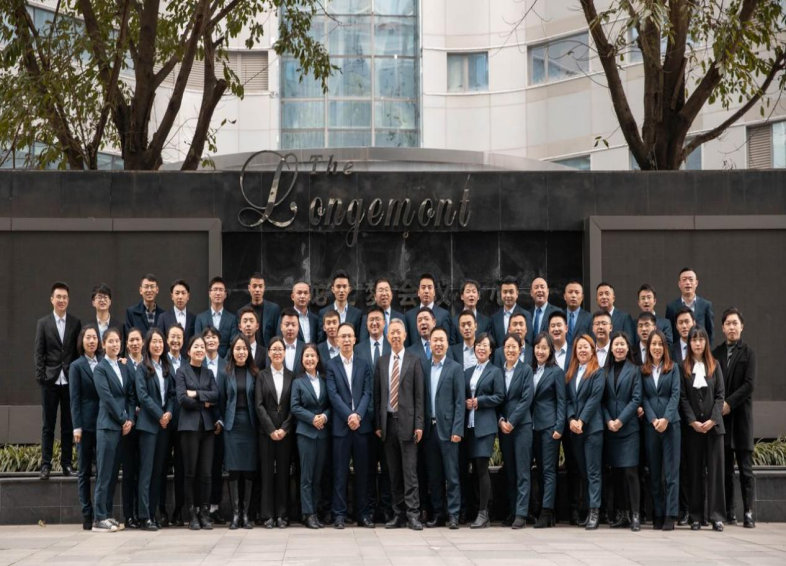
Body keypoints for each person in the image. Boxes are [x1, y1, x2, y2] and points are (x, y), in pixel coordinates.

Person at [374, 318, 425, 530]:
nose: (395, 336)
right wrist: (378, 424)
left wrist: (419, 424)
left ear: (404, 336)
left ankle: (413, 514)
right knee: (393, 472)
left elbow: (419, 396)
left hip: (408, 424)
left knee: (410, 472)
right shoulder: (382, 361)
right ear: (387, 337)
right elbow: (378, 396)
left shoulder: (414, 361)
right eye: (392, 332)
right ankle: (398, 514)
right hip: (387, 423)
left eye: (398, 332)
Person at [326, 323, 375, 529]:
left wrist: (358, 415)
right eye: (343, 336)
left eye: (349, 336)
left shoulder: (364, 364)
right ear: (337, 340)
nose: (346, 340)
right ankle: (339, 514)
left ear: (355, 339)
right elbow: (333, 395)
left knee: (363, 473)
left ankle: (362, 514)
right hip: (341, 427)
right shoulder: (331, 365)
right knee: (340, 472)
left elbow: (367, 392)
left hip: (362, 427)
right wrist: (349, 416)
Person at [713, 308, 757, 528]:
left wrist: (728, 403)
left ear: (742, 326)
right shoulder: (716, 353)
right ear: (722, 328)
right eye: (728, 324)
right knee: (726, 471)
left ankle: (748, 511)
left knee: (746, 470)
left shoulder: (749, 353)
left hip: (741, 420)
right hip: (723, 421)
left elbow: (749, 385)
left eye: (735, 323)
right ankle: (729, 511)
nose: (732, 327)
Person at [680, 326, 726, 532]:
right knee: (695, 472)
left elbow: (720, 395)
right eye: (694, 340)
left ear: (706, 342)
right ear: (689, 343)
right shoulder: (683, 368)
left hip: (714, 429)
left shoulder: (715, 365)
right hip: (693, 430)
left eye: (701, 339)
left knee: (715, 473)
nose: (697, 343)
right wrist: (692, 421)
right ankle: (695, 516)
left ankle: (717, 517)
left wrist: (713, 419)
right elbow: (682, 398)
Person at [35, 281, 82, 480]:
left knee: (67, 425)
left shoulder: (75, 323)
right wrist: (41, 377)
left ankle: (66, 464)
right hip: (50, 381)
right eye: (58, 297)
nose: (62, 300)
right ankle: (46, 465)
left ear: (68, 300)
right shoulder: (43, 323)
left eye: (65, 297)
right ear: (52, 299)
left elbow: (77, 352)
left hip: (69, 381)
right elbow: (39, 352)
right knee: (48, 425)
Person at [91, 328, 135, 533]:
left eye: (117, 341)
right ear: (104, 344)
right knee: (104, 473)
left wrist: (130, 420)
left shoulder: (123, 367)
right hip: (108, 426)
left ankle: (107, 514)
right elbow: (107, 397)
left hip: (123, 428)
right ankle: (99, 518)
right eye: (111, 341)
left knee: (113, 473)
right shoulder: (100, 369)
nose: (115, 344)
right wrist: (124, 419)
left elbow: (130, 395)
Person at [176, 335, 220, 531]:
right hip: (189, 428)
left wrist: (195, 393)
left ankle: (204, 512)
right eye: (196, 346)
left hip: (208, 428)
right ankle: (192, 513)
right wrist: (204, 403)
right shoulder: (182, 371)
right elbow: (182, 399)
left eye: (202, 347)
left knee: (206, 473)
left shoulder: (208, 372)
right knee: (190, 473)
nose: (200, 349)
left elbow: (216, 395)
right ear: (189, 351)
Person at [422, 326, 465, 529]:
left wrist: (457, 429)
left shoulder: (455, 368)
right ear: (429, 344)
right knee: (434, 476)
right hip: (429, 430)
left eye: (442, 340)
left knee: (452, 475)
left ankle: (454, 514)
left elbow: (460, 402)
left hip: (449, 431)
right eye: (435, 340)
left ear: (447, 344)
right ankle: (439, 513)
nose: (438, 344)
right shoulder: (424, 367)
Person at [640, 329, 681, 531]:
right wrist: (653, 419)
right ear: (648, 348)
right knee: (655, 473)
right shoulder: (643, 370)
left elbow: (675, 395)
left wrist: (665, 418)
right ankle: (658, 512)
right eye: (653, 344)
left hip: (671, 425)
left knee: (671, 473)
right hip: (652, 427)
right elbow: (644, 397)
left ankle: (670, 514)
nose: (656, 347)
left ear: (665, 347)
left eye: (659, 344)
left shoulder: (673, 368)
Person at [134, 328, 175, 531]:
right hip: (149, 426)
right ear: (147, 345)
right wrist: (160, 415)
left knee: (159, 472)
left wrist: (169, 413)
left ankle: (153, 513)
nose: (158, 345)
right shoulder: (142, 368)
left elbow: (173, 394)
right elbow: (142, 396)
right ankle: (144, 516)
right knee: (147, 472)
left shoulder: (167, 366)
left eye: (160, 342)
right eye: (154, 342)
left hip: (164, 427)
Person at [602, 332, 642, 531]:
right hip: (611, 429)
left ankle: (635, 515)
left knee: (630, 472)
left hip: (629, 429)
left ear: (628, 348)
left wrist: (620, 420)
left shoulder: (635, 371)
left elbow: (636, 399)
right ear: (611, 348)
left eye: (622, 344)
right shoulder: (605, 371)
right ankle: (622, 514)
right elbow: (601, 400)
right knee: (617, 472)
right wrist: (609, 420)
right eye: (616, 344)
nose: (619, 347)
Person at [219, 334, 259, 530]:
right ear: (232, 351)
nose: (241, 352)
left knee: (249, 469)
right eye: (238, 348)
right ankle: (235, 514)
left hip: (250, 426)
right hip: (232, 425)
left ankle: (246, 514)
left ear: (248, 351)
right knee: (234, 469)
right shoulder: (226, 372)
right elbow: (221, 400)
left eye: (244, 348)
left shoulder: (255, 373)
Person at [464, 333, 504, 529]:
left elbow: (499, 396)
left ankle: (484, 513)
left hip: (485, 426)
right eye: (478, 344)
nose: (481, 348)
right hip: (469, 426)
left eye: (485, 345)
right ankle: (476, 509)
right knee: (472, 469)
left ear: (491, 350)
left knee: (481, 468)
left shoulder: (495, 372)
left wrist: (480, 401)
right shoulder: (467, 372)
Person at [255, 336, 295, 528]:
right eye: (274, 350)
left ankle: (282, 514)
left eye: (280, 349)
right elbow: (259, 405)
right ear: (269, 353)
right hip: (266, 432)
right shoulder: (261, 376)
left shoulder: (292, 376)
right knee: (267, 473)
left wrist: (285, 429)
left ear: (285, 353)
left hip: (286, 432)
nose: (277, 352)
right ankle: (267, 514)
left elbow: (294, 405)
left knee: (283, 474)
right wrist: (271, 429)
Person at [565, 334, 605, 530]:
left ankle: (595, 512)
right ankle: (588, 509)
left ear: (592, 350)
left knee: (593, 471)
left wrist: (582, 420)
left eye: (586, 347)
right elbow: (568, 400)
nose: (582, 350)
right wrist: (572, 419)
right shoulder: (572, 372)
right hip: (576, 430)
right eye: (579, 347)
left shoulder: (598, 372)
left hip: (592, 429)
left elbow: (594, 399)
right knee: (583, 472)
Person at [496, 333, 534, 529]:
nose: (510, 350)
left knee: (522, 471)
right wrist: (501, 420)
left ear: (520, 349)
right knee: (510, 471)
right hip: (504, 428)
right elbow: (497, 398)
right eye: (507, 347)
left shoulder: (526, 370)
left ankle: (521, 513)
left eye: (514, 347)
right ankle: (512, 510)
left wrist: (512, 421)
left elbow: (527, 399)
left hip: (522, 427)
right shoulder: (498, 372)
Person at [291, 344, 331, 529]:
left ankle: (315, 512)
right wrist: (312, 418)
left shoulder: (324, 380)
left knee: (317, 477)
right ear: (302, 360)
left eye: (312, 356)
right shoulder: (298, 382)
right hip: (306, 433)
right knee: (306, 477)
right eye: (306, 356)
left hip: (322, 434)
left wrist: (324, 417)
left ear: (318, 359)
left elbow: (330, 404)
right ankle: (307, 514)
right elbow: (295, 407)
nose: (309, 359)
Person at [529, 332, 565, 529]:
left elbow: (561, 401)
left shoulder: (556, 372)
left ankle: (546, 511)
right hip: (532, 426)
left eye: (544, 348)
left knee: (549, 470)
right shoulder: (531, 370)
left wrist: (559, 426)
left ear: (550, 350)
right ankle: (546, 511)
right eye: (538, 347)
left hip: (550, 427)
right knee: (540, 470)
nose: (540, 351)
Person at [69, 325, 102, 530]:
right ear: (82, 341)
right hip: (85, 426)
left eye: (94, 337)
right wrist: (77, 427)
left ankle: (100, 512)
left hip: (103, 423)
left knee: (102, 471)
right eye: (88, 337)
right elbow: (74, 398)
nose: (91, 341)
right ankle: (87, 514)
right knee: (84, 471)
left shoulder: (104, 362)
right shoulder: (76, 366)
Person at [159, 324, 187, 527]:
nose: (176, 340)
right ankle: (161, 510)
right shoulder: (161, 362)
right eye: (173, 337)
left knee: (181, 469)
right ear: (167, 340)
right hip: (163, 422)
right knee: (161, 466)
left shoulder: (188, 363)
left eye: (179, 337)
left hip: (184, 423)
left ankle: (179, 510)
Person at [202, 326, 228, 524]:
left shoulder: (226, 366)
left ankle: (215, 507)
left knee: (217, 466)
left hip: (221, 423)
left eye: (214, 337)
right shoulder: (196, 363)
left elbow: (227, 396)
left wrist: (220, 419)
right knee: (202, 467)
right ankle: (202, 506)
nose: (210, 340)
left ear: (219, 342)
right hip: (200, 421)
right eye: (207, 337)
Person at [666, 268, 715, 346]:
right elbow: (670, 334)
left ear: (696, 283)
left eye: (691, 279)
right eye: (684, 280)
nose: (688, 283)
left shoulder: (706, 305)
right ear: (679, 284)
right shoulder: (671, 307)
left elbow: (710, 333)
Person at [194, 276, 238, 358]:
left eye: (221, 290)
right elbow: (198, 342)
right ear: (210, 293)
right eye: (215, 289)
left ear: (225, 294)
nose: (218, 293)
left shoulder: (232, 319)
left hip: (225, 362)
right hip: (204, 361)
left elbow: (233, 344)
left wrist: (223, 362)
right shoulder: (200, 318)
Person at [405, 273, 453, 347]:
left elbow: (447, 344)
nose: (426, 291)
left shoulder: (444, 315)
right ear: (418, 292)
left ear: (434, 292)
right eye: (423, 287)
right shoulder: (409, 316)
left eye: (430, 287)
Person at [318, 270, 363, 341]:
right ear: (333, 289)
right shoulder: (323, 313)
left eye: (344, 286)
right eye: (338, 287)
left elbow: (358, 340)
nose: (341, 290)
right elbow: (321, 339)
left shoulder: (357, 314)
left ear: (349, 289)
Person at [239, 272, 281, 347]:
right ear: (249, 288)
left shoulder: (274, 309)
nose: (257, 290)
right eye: (254, 286)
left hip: (268, 352)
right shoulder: (241, 312)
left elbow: (278, 335)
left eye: (260, 286)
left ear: (264, 288)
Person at [359, 278, 405, 343]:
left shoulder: (401, 318)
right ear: (375, 296)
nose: (384, 293)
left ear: (391, 295)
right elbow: (363, 343)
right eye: (381, 290)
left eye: (386, 290)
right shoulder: (366, 318)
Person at [490, 276, 532, 347]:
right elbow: (493, 344)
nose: (508, 295)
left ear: (517, 294)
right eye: (505, 292)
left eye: (511, 292)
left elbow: (528, 341)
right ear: (501, 294)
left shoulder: (526, 315)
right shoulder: (495, 318)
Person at [451, 280, 490, 344]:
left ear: (478, 296)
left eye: (474, 292)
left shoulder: (486, 321)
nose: (471, 295)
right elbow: (452, 345)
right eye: (468, 292)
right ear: (462, 296)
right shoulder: (454, 321)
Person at [160, 279, 196, 346]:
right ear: (172, 296)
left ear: (188, 296)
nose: (180, 297)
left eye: (183, 293)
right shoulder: (163, 317)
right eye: (177, 293)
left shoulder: (194, 318)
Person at [563, 281, 592, 353]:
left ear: (582, 297)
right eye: (570, 292)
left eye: (577, 292)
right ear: (565, 296)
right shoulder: (559, 316)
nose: (573, 295)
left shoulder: (589, 318)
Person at [280, 308, 305, 375]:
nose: (290, 328)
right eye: (287, 325)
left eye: (293, 325)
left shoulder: (305, 348)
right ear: (281, 327)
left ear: (298, 327)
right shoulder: (273, 348)